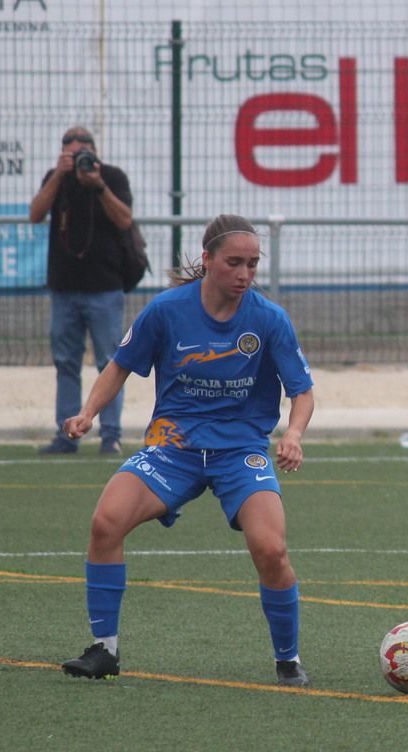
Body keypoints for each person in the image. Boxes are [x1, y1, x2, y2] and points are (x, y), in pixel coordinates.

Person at [58, 214, 316, 687]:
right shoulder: (166, 310)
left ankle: (288, 660)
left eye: (253, 264)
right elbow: (119, 367)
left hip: (240, 450)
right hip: (172, 447)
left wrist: (294, 433)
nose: (244, 274)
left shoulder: (268, 319)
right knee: (105, 522)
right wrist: (87, 412)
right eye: (234, 263)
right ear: (208, 260)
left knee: (271, 549)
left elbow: (302, 391)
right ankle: (104, 650)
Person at [30, 125, 135, 456]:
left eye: (83, 154)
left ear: (94, 150)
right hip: (64, 289)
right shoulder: (56, 179)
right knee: (66, 363)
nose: (79, 161)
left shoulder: (112, 177)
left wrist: (98, 185)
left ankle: (111, 435)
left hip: (105, 289)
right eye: (72, 155)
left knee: (111, 363)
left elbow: (124, 219)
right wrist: (58, 177)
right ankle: (66, 434)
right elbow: (35, 214)